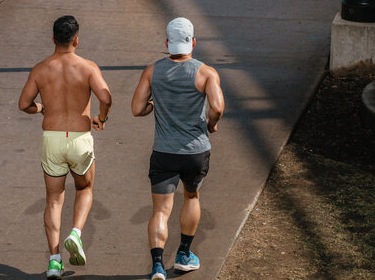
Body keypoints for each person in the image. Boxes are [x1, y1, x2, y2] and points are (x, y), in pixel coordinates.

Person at [18, 15, 113, 278]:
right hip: (80, 137)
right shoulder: (88, 67)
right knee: (85, 188)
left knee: (53, 200)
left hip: (53, 138)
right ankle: (76, 233)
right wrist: (101, 119)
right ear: (76, 40)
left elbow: (24, 104)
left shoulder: (40, 69)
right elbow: (106, 96)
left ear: (52, 38)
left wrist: (41, 108)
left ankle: (54, 261)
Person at [131, 18, 225, 280]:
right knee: (191, 197)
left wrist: (154, 105)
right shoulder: (206, 73)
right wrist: (211, 124)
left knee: (160, 210)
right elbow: (217, 107)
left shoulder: (152, 71)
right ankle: (184, 254)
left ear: (167, 43)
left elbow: (137, 109)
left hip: (163, 152)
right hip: (195, 152)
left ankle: (158, 265)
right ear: (193, 42)